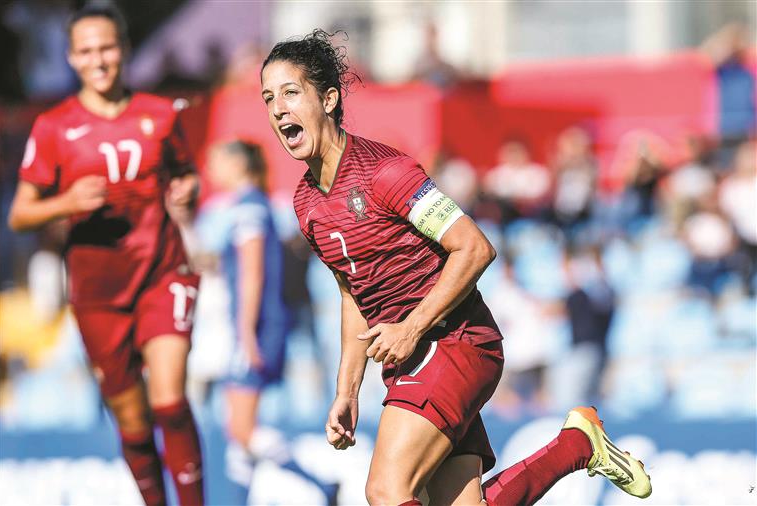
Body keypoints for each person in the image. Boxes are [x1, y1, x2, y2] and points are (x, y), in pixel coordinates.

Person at [260, 29, 652, 505]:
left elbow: (475, 247)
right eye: (268, 98)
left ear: (328, 98)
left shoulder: (386, 171)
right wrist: (346, 390)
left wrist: (411, 327)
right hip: (412, 360)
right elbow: (351, 294)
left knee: (387, 492)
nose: (278, 108)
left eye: (290, 92)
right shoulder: (305, 203)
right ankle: (576, 444)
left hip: (452, 343)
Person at [8, 6, 204, 505]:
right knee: (134, 423)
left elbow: (185, 174)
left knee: (170, 400)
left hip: (162, 270)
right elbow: (20, 214)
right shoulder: (55, 126)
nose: (100, 59)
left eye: (108, 47)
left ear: (124, 49)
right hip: (98, 291)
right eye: (88, 51)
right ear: (73, 58)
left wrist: (186, 191)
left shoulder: (159, 114)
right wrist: (67, 203)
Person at [201, 140, 339, 505]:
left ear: (238, 166)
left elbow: (252, 273)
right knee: (238, 433)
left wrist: (245, 332)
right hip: (264, 325)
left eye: (216, 160)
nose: (211, 170)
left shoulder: (248, 210)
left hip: (256, 327)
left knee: (242, 430)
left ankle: (319, 482)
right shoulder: (257, 208)